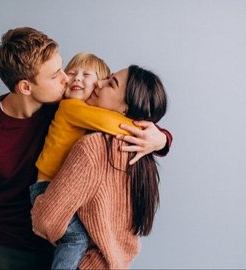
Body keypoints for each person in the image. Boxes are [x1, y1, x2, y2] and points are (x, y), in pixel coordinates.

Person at [0, 27, 172, 270]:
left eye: (62, 67)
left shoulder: (62, 108)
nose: (67, 78)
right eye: (55, 75)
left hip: (56, 246)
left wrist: (161, 139)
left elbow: (126, 108)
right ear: (25, 87)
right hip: (5, 251)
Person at [31, 65, 169, 269]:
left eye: (110, 83)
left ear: (124, 110)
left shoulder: (93, 148)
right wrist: (163, 139)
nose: (98, 82)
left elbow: (46, 220)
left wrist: (40, 206)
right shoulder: (143, 155)